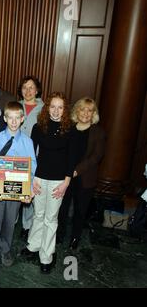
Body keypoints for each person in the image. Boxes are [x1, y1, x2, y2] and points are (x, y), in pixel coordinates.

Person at [19, 92, 74, 274]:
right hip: (39, 178)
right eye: (53, 106)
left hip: (59, 180)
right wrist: (32, 178)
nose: (56, 111)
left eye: (60, 107)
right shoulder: (38, 126)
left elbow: (71, 159)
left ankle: (46, 255)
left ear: (64, 110)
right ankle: (33, 246)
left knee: (51, 219)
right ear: (47, 107)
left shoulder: (70, 129)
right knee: (38, 214)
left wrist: (66, 182)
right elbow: (31, 154)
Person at [0, 101, 37, 274]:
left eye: (17, 118)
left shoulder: (28, 142)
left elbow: (32, 168)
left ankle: (5, 248)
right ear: (5, 118)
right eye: (10, 118)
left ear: (22, 119)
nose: (14, 122)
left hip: (16, 191)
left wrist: (28, 190)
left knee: (9, 222)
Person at [57, 97, 105, 249]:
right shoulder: (68, 128)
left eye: (89, 110)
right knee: (62, 208)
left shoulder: (98, 132)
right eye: (82, 109)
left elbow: (96, 157)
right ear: (77, 110)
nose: (85, 113)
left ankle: (75, 237)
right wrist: (67, 171)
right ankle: (59, 235)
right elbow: (62, 151)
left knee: (80, 210)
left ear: (94, 114)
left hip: (85, 178)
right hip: (65, 176)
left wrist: (76, 171)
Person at [17, 75, 44, 240]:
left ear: (37, 90)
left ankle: (27, 226)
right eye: (24, 87)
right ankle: (10, 222)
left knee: (30, 193)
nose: (28, 91)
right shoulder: (15, 106)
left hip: (35, 157)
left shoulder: (44, 109)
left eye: (31, 87)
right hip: (15, 157)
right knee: (13, 191)